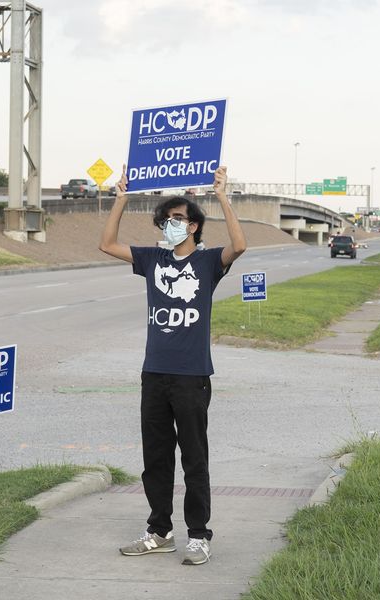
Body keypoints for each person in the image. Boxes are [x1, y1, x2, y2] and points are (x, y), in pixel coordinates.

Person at [98, 165, 247, 566]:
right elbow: (107, 244)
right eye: (166, 219)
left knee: (194, 457)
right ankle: (159, 531)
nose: (171, 224)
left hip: (192, 376)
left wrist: (221, 196)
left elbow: (241, 245)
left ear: (195, 226)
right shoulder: (152, 259)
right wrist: (121, 199)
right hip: (154, 374)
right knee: (156, 458)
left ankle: (198, 535)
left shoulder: (209, 262)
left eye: (179, 219)